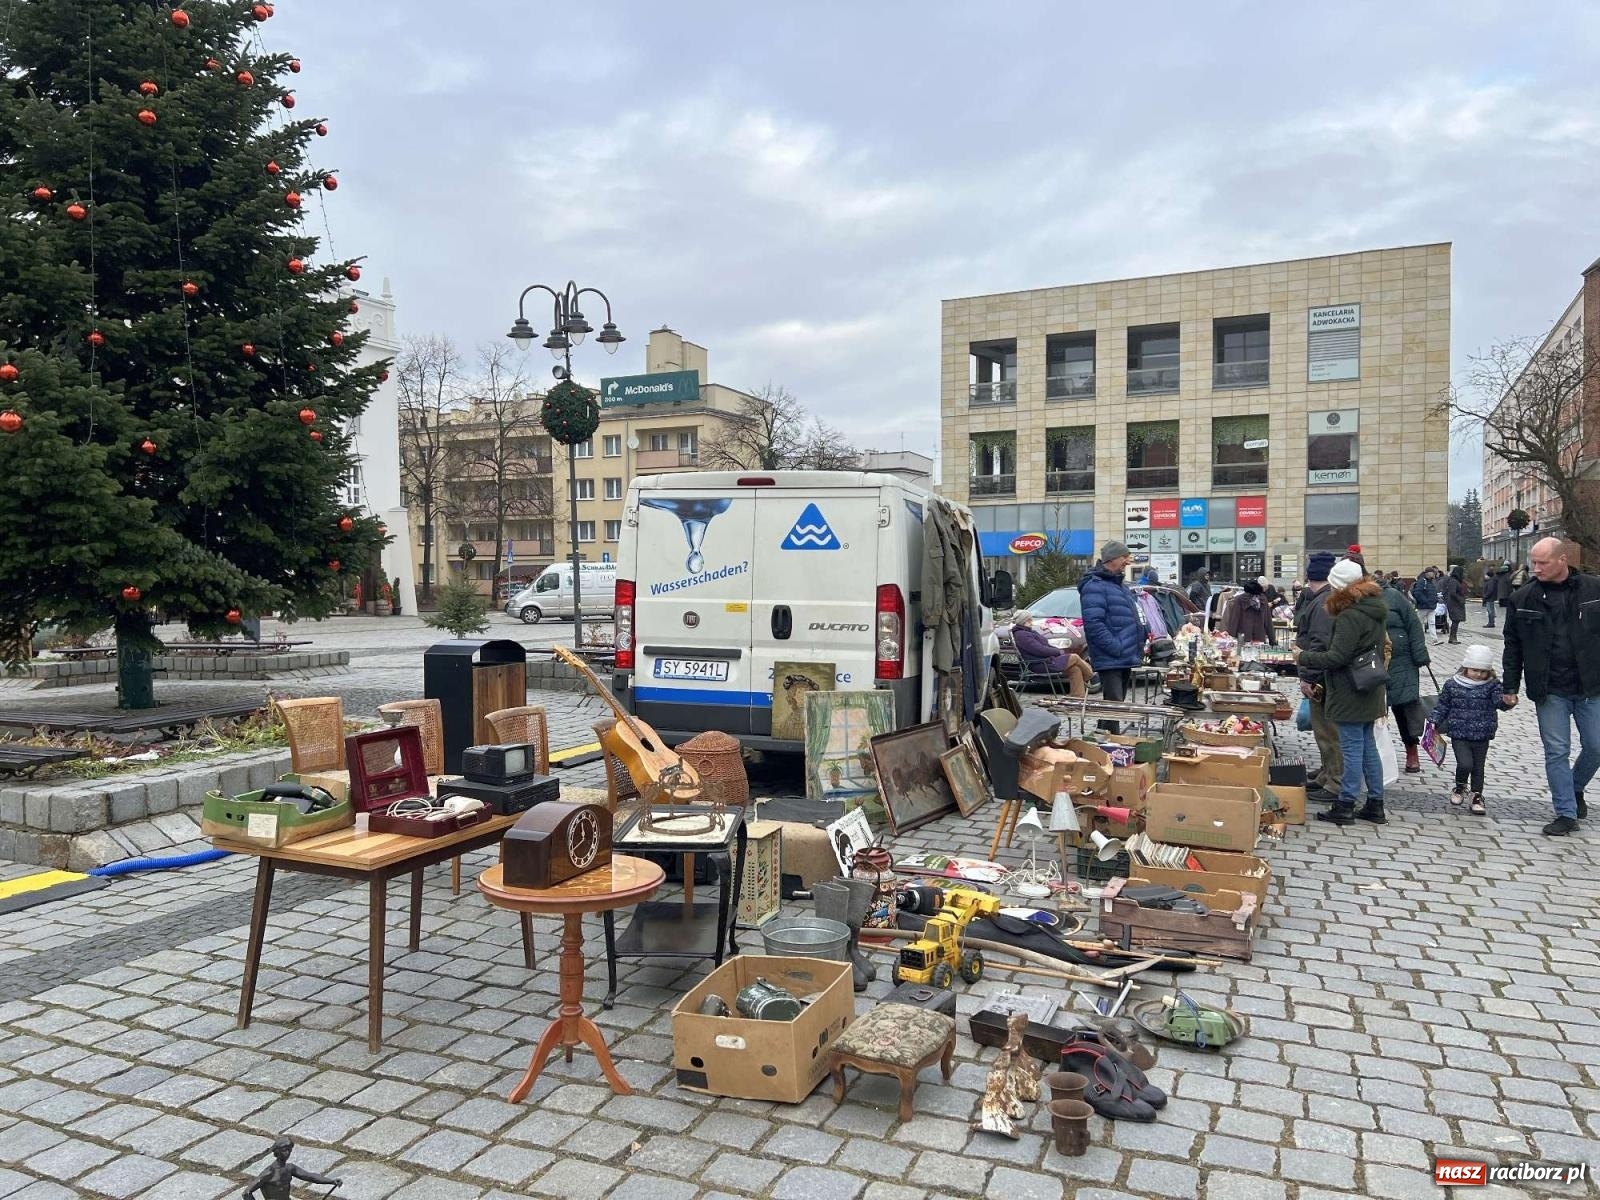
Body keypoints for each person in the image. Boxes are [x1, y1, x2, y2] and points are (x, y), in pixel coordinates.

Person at [1502, 536, 1600, 836]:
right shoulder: (1523, 598)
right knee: (1557, 751)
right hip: (1549, 688)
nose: (1536, 568)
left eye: (1543, 562)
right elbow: (1513, 645)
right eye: (1534, 561)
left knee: (1596, 746)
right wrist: (1510, 686)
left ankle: (1573, 788)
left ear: (1562, 560)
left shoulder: (1594, 589)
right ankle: (1566, 812)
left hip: (1590, 685)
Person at [1298, 558, 1391, 825]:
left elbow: (1337, 657)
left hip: (1350, 690)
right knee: (1367, 748)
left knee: (1351, 749)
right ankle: (1375, 803)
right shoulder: (1373, 608)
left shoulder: (1350, 614)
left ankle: (1346, 803)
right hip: (1369, 687)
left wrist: (1302, 657)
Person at [1431, 644, 1512, 816]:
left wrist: (1507, 701)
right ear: (1466, 667)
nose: (1479, 675)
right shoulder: (1453, 684)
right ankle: (1460, 786)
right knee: (1465, 763)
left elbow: (1499, 702)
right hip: (1459, 732)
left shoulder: (1493, 685)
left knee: (1478, 767)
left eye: (1484, 672)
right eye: (1475, 670)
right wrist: (1433, 722)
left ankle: (1477, 795)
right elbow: (1443, 706)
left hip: (1482, 733)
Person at [1294, 551, 1342, 800]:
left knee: (1327, 731)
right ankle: (1326, 773)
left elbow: (1319, 643)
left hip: (1321, 676)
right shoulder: (1322, 598)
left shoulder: (1323, 603)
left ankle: (1334, 782)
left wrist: (1308, 677)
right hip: (1321, 673)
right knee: (1323, 730)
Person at [1079, 540, 1144, 708]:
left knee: (1115, 705)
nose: (1127, 562)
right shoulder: (1095, 586)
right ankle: (1108, 734)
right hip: (1112, 656)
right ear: (1112, 559)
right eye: (1124, 557)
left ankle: (1105, 733)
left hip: (1123, 656)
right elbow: (1094, 624)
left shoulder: (1119, 585)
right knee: (1113, 707)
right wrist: (1116, 647)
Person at [1382, 569, 1432, 774]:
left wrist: (1420, 654)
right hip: (1371, 662)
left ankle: (1412, 750)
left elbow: (1414, 624)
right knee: (1374, 712)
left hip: (1401, 661)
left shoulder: (1394, 596)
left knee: (1405, 709)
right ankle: (1378, 754)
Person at [1010, 610, 1092, 697]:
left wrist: (1055, 650)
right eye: (1029, 620)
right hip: (1040, 664)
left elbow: (1046, 645)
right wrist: (1057, 651)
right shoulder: (1022, 635)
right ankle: (1090, 675)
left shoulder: (1029, 632)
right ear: (1024, 621)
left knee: (1074, 669)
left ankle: (1077, 696)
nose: (1031, 622)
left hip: (1047, 660)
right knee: (1074, 657)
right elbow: (1039, 650)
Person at [243, 1138, 340, 1199]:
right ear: (277, 1152)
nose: (288, 1153)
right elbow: (247, 1193)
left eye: (289, 1150)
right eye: (284, 1150)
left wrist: (331, 1181)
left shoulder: (290, 1168)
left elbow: (309, 1176)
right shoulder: (269, 1173)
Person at [1222, 578, 1271, 644]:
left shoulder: (1239, 599)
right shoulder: (1263, 599)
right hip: (1259, 636)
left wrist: (1231, 638)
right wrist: (1272, 640)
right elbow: (1268, 621)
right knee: (1259, 653)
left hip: (1243, 636)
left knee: (1243, 652)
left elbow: (1234, 619)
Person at [1439, 564, 1466, 644]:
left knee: (1456, 621)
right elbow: (1452, 593)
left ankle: (1453, 637)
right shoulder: (1453, 581)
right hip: (1454, 604)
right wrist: (1460, 599)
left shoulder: (1454, 580)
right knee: (1455, 620)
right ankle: (1452, 638)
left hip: (1454, 603)